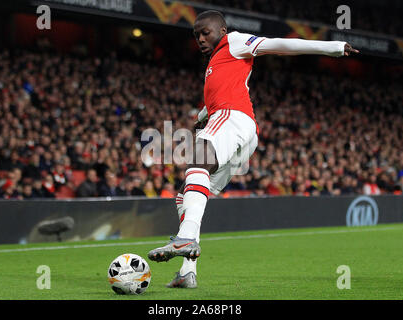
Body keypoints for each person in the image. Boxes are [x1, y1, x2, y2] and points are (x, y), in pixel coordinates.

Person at [147, 10, 358, 288]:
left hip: (233, 118)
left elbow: (280, 44)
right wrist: (201, 115)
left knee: (196, 161)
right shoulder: (218, 60)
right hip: (243, 131)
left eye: (205, 32)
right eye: (196, 35)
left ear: (221, 30)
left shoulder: (234, 42)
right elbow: (222, 94)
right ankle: (188, 271)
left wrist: (331, 47)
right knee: (187, 197)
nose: (200, 38)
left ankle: (186, 237)